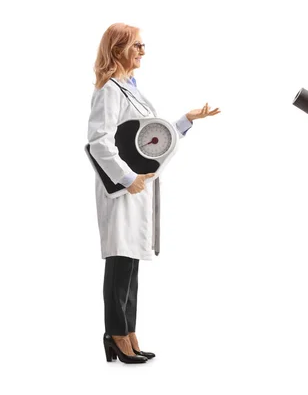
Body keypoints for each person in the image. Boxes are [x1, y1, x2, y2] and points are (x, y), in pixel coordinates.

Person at [87, 23, 220, 364]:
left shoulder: (131, 89)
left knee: (131, 263)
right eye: (137, 45)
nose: (143, 51)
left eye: (144, 45)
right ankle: (115, 333)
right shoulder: (109, 91)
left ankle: (129, 331)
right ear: (117, 49)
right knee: (119, 261)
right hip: (121, 190)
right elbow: (100, 143)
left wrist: (185, 121)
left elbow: (152, 141)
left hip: (137, 188)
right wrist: (127, 177)